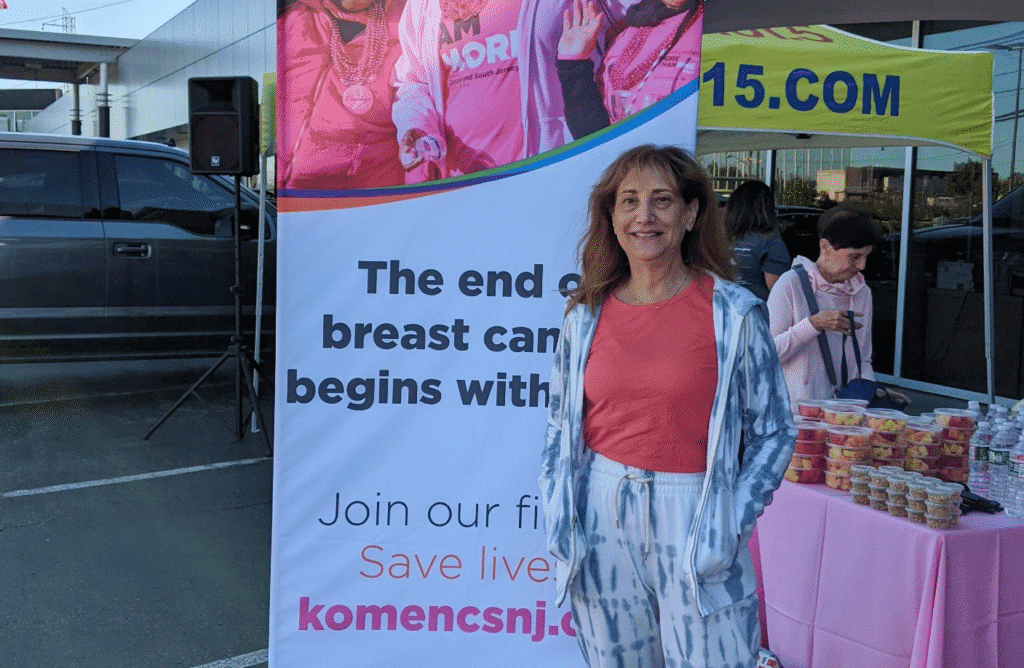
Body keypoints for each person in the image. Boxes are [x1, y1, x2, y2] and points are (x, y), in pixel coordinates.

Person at [539, 145, 796, 668]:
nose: (645, 216)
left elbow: (775, 431)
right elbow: (557, 427)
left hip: (695, 509)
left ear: (691, 213)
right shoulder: (584, 315)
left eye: (662, 200)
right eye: (629, 201)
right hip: (602, 516)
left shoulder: (735, 314)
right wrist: (558, 510)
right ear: (611, 217)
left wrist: (732, 516)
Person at [391, 0, 586, 181]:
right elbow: (413, 83)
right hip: (462, 184)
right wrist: (417, 126)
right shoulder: (421, 7)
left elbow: (614, 34)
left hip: (548, 168)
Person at [767, 206, 905, 407]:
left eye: (866, 256)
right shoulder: (791, 284)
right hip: (798, 414)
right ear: (825, 247)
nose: (862, 266)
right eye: (855, 256)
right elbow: (768, 354)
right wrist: (813, 324)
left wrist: (870, 393)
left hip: (846, 414)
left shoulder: (861, 292)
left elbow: (863, 359)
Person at [277, 0, 408, 190]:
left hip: (382, 180)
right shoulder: (295, 22)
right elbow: (288, 110)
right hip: (306, 185)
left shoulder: (409, 14)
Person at [556, 0, 703, 139]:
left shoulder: (715, 25)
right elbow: (593, 136)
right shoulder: (627, 31)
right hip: (623, 163)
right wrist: (573, 65)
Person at [725, 180, 791, 301]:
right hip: (757, 314)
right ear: (767, 209)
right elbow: (779, 295)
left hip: (722, 312)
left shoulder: (723, 240)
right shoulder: (771, 244)